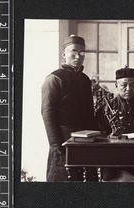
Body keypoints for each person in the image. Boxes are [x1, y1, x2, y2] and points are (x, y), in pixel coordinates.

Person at [41, 35, 97, 181]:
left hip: (85, 143)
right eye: (73, 51)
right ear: (64, 54)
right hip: (63, 142)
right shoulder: (54, 79)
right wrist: (57, 147)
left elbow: (90, 113)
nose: (78, 56)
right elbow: (48, 114)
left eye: (82, 52)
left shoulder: (85, 80)